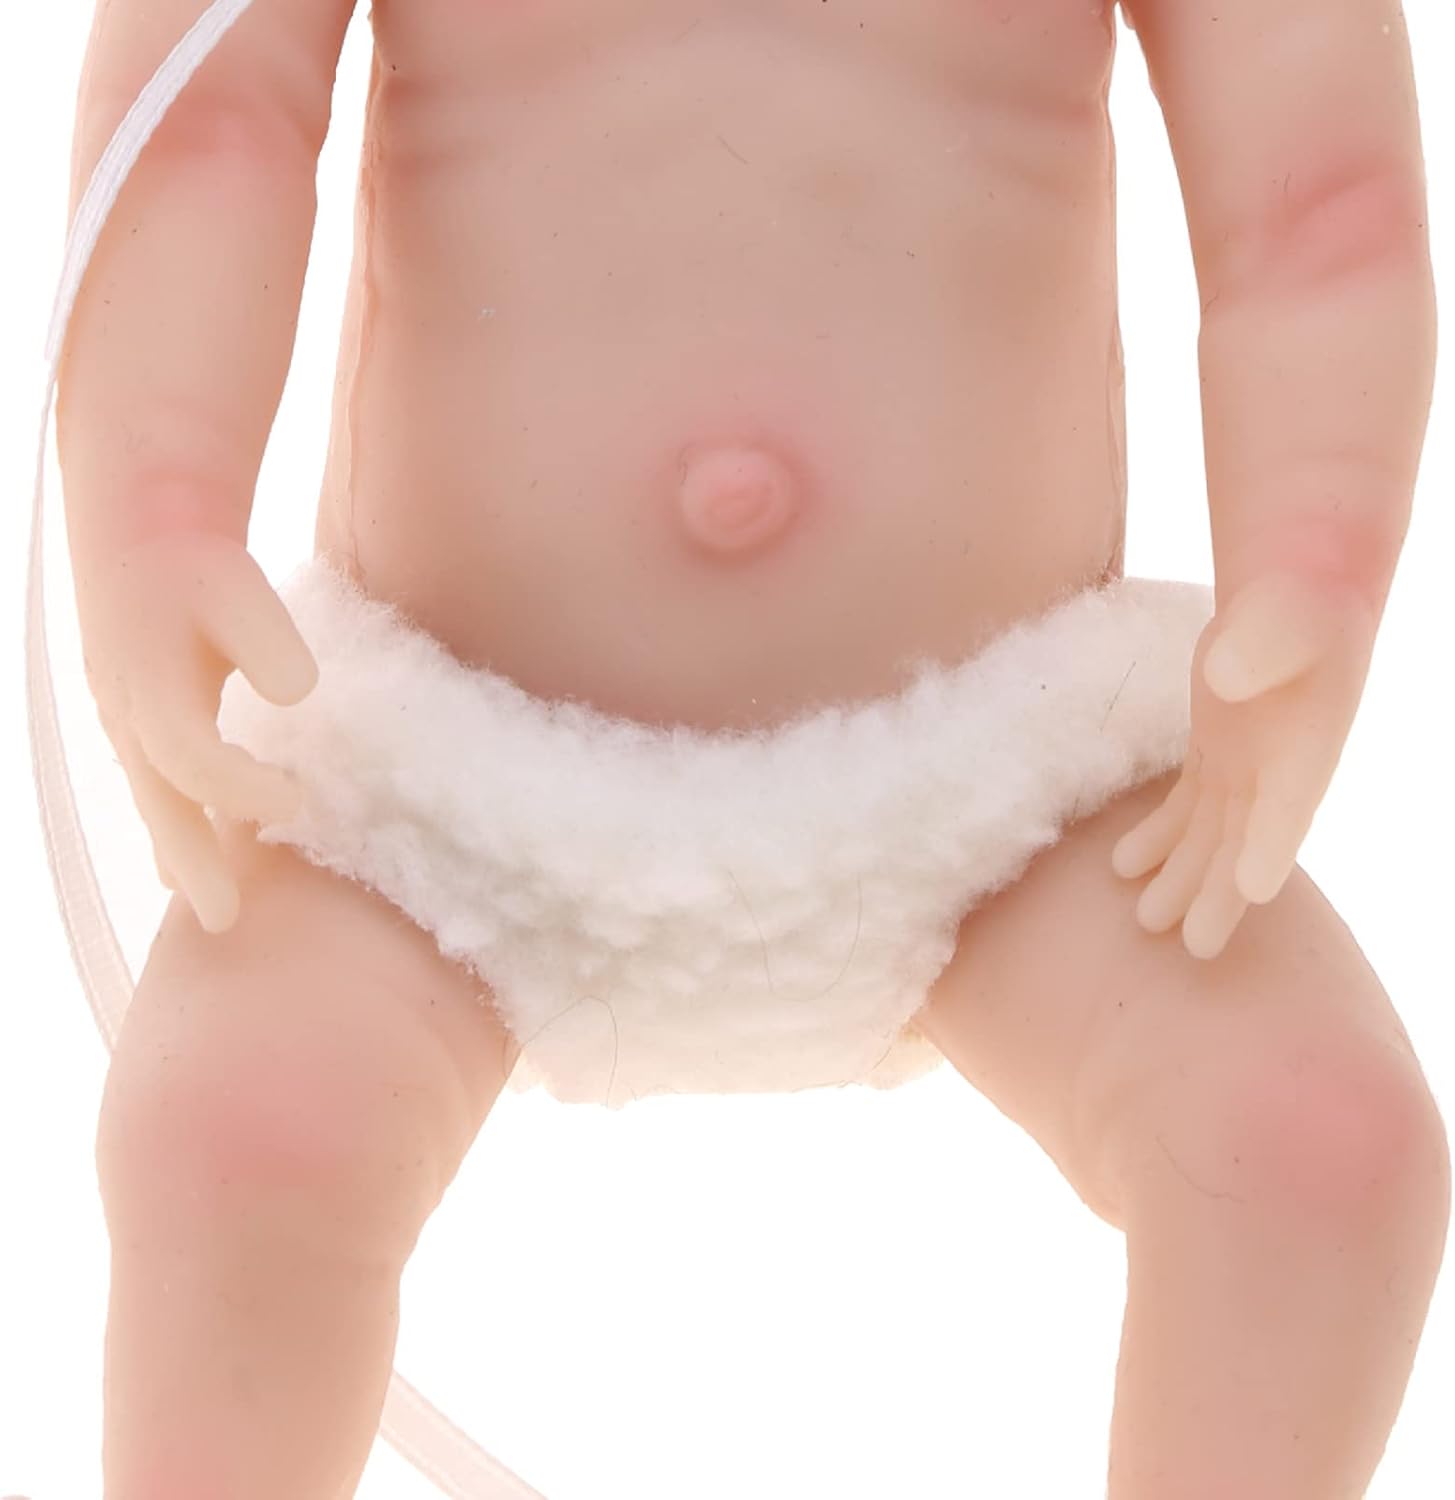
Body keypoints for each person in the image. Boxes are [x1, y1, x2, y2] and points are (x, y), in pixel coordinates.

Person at [43, 0, 1449, 1494]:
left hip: (1011, 773)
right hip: (443, 775)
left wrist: (1316, 558)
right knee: (234, 1133)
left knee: (1319, 1151)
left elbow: (1318, 196)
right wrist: (158, 510)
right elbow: (202, 119)